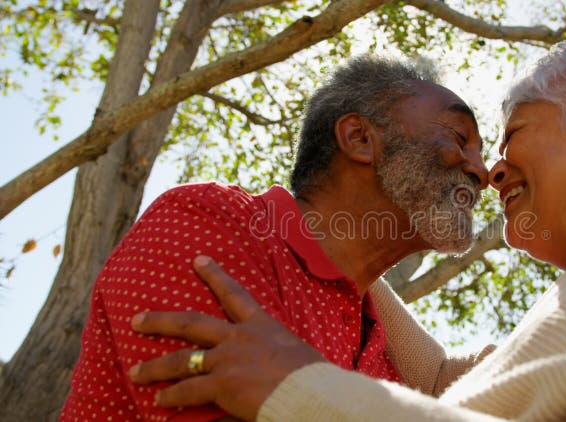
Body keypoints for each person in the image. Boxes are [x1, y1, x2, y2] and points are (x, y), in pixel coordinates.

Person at [128, 30, 566, 421]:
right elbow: (448, 382)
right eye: (471, 142)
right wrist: (342, 247)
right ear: (359, 139)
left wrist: (301, 392)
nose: (491, 170)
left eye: (511, 135)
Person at [60, 55, 489, 421]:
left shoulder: (385, 347)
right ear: (359, 138)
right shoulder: (215, 225)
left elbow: (502, 386)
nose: (483, 173)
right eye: (459, 137)